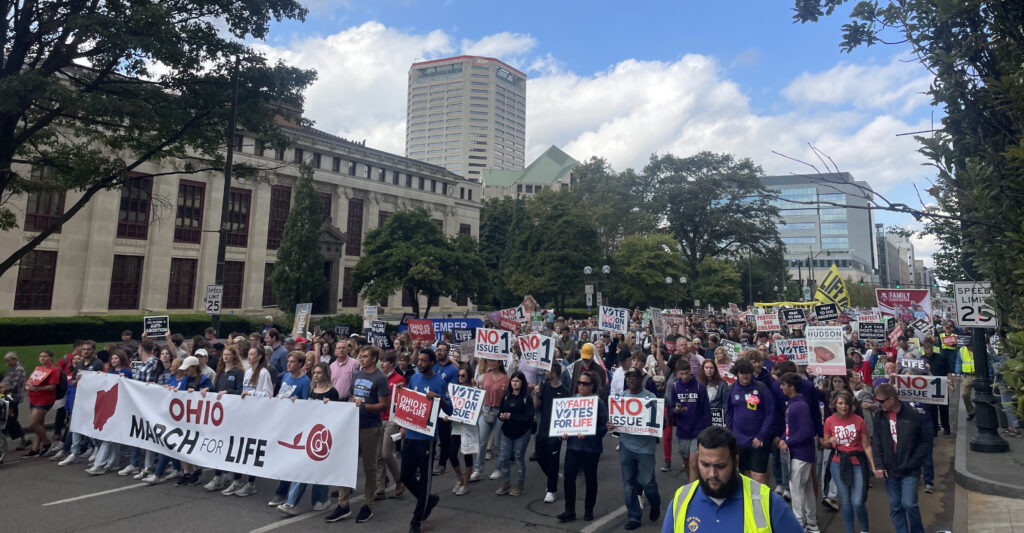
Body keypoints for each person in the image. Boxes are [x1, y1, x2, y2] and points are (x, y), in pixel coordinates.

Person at [661, 426, 803, 533]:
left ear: (736, 462)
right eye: (704, 464)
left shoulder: (768, 502)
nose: (712, 474)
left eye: (720, 466)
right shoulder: (681, 501)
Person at [327, 345, 389, 523]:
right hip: (352, 425)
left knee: (369, 467)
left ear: (374, 358)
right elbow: (352, 397)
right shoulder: (356, 374)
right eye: (360, 356)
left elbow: (383, 405)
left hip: (370, 428)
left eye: (365, 356)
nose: (361, 358)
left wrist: (365, 406)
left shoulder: (380, 378)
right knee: (345, 464)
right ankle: (343, 504)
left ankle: (367, 505)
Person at [401, 348, 453, 533]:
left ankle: (416, 519)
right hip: (410, 435)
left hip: (426, 438)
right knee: (405, 476)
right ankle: (428, 500)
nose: (420, 363)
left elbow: (450, 411)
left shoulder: (439, 382)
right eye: (419, 360)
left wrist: (440, 399)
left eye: (424, 360)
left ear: (432, 362)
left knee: (424, 480)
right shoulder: (414, 378)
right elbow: (408, 403)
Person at [278, 362, 337, 515]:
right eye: (314, 373)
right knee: (304, 468)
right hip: (309, 433)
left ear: (325, 374)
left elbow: (338, 414)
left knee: (317, 468)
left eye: (319, 372)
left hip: (323, 435)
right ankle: (292, 503)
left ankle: (321, 499)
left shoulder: (332, 392)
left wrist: (330, 405)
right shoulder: (312, 389)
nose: (316, 375)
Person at [871, 383, 928, 533]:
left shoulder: (913, 415)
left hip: (909, 469)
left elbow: (924, 443)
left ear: (892, 399)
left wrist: (913, 463)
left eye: (881, 401)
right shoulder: (879, 416)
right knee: (895, 506)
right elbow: (876, 441)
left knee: (909, 504)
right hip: (890, 470)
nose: (879, 404)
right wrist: (879, 465)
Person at [558, 369, 609, 523]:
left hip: (591, 449)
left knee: (590, 479)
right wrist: (564, 432)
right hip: (573, 447)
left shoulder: (598, 403)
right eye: (579, 383)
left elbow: (604, 426)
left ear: (592, 386)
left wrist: (589, 432)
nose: (581, 386)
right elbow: (565, 421)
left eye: (585, 384)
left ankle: (588, 510)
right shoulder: (573, 400)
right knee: (568, 479)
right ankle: (569, 511)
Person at [823, 390, 875, 533]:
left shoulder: (859, 420)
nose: (844, 406)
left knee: (858, 502)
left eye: (846, 403)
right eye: (840, 403)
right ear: (835, 404)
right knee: (845, 501)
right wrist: (829, 442)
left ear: (851, 405)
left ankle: (865, 530)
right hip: (838, 463)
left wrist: (874, 465)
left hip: (857, 462)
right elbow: (825, 443)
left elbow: (867, 445)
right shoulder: (829, 421)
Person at [617, 367, 662, 530]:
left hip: (645, 449)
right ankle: (634, 517)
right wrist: (611, 425)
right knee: (629, 485)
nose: (630, 380)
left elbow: (658, 422)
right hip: (626, 447)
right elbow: (615, 424)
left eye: (634, 377)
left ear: (640, 379)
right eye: (628, 377)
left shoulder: (650, 397)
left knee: (647, 482)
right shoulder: (621, 397)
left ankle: (655, 501)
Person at [778, 372, 818, 533]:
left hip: (800, 454)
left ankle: (799, 524)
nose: (781, 387)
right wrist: (783, 438)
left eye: (783, 384)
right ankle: (812, 523)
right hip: (799, 453)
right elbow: (790, 427)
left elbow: (806, 431)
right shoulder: (795, 403)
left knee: (796, 489)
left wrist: (787, 442)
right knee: (806, 488)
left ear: (791, 387)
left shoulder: (799, 405)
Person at [724, 358, 775, 484]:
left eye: (748, 372)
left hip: (758, 440)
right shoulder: (731, 389)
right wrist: (730, 433)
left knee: (758, 477)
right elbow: (728, 411)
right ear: (737, 374)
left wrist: (762, 435)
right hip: (739, 440)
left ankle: (763, 501)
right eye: (742, 372)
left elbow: (770, 412)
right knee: (745, 476)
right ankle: (749, 503)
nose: (745, 375)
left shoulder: (760, 387)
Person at [668, 359, 712, 482]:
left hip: (698, 430)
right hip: (683, 430)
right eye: (682, 374)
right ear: (677, 373)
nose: (685, 376)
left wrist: (708, 430)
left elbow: (706, 409)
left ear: (690, 372)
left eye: (687, 373)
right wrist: (677, 410)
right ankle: (694, 485)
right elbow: (671, 408)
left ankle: (692, 493)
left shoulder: (699, 386)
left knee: (693, 463)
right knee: (687, 463)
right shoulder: (675, 387)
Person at [534, 361, 571, 503]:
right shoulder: (544, 387)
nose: (545, 372)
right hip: (543, 428)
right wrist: (537, 393)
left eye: (547, 370)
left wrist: (565, 431)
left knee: (553, 459)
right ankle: (553, 476)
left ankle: (551, 490)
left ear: (555, 373)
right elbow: (536, 405)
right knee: (539, 455)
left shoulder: (565, 391)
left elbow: (567, 413)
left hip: (556, 431)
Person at [495, 371, 534, 496]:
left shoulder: (527, 399)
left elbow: (528, 417)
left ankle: (519, 484)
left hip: (522, 432)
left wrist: (511, 416)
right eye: (512, 381)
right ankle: (506, 482)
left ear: (522, 383)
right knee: (504, 457)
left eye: (517, 381)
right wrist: (501, 416)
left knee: (518, 457)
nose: (514, 383)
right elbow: (500, 412)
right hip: (507, 431)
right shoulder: (506, 397)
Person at [471, 358, 508, 481]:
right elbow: (479, 391)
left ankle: (499, 468)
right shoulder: (484, 377)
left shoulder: (506, 379)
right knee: (482, 442)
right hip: (485, 410)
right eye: (489, 361)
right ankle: (478, 470)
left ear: (500, 363)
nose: (490, 363)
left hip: (499, 412)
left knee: (498, 442)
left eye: (493, 361)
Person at [378, 351, 407, 498]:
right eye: (381, 361)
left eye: (385, 361)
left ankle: (399, 480)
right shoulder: (378, 377)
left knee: (386, 453)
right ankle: (380, 487)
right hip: (378, 418)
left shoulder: (398, 379)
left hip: (392, 418)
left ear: (392, 364)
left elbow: (403, 402)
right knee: (378, 455)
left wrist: (403, 425)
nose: (382, 364)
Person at [24, 349, 61, 457]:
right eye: (41, 356)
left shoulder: (54, 370)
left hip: (44, 400)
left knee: (33, 424)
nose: (42, 358)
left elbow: (52, 386)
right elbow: (30, 382)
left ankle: (47, 443)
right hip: (34, 398)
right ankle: (35, 449)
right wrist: (28, 387)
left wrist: (39, 388)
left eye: (45, 356)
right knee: (39, 424)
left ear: (50, 358)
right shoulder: (38, 369)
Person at [448, 365, 477, 496]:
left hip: (468, 428)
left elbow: (478, 410)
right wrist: (447, 416)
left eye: (463, 375)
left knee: (467, 455)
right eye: (458, 375)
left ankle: (466, 484)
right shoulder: (454, 390)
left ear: (469, 377)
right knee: (452, 454)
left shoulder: (474, 391)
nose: (460, 378)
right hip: (456, 428)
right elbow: (449, 407)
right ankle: (461, 479)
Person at [432, 342, 459, 476]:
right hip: (431, 404)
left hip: (444, 404)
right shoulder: (433, 365)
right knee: (430, 435)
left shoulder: (453, 369)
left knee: (444, 436)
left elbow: (453, 389)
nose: (440, 352)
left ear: (448, 352)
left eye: (443, 350)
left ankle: (442, 463)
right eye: (438, 350)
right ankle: (428, 462)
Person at [1, 352, 27, 447]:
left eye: (8, 361)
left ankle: (22, 436)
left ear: (14, 359)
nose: (7, 363)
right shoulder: (11, 368)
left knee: (9, 417)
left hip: (14, 396)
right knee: (8, 417)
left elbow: (13, 385)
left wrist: (3, 388)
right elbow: (5, 381)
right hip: (8, 395)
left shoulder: (19, 369)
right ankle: (22, 437)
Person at [956, 342, 976, 420]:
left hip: (979, 375)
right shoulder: (962, 350)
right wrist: (958, 374)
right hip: (967, 375)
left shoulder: (979, 349)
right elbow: (959, 362)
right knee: (964, 394)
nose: (969, 347)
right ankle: (971, 411)